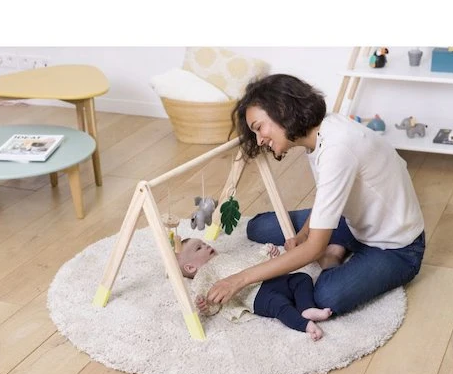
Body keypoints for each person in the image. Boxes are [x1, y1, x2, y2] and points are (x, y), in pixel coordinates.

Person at [206, 73, 426, 316]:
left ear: (281, 110)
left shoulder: (337, 147)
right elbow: (325, 195)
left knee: (326, 295)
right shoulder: (319, 135)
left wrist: (238, 279)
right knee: (259, 227)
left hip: (396, 248)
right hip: (353, 222)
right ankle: (336, 245)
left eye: (259, 128)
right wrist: (302, 235)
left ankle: (335, 251)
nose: (258, 140)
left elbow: (313, 250)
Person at [176, 237, 332, 341]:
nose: (206, 245)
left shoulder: (225, 257)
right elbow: (210, 297)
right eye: (198, 248)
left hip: (266, 278)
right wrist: (205, 304)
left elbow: (250, 263)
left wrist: (266, 256)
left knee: (301, 278)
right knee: (279, 304)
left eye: (203, 243)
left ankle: (307, 308)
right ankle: (305, 325)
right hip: (253, 296)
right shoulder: (204, 273)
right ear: (190, 267)